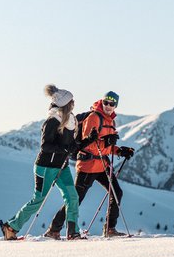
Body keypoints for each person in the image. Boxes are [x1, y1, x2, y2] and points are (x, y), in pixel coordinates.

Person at [0, 85, 97, 241]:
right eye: (71, 101)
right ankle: (11, 227)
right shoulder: (52, 121)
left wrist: (89, 140)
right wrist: (64, 149)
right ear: (65, 104)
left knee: (73, 197)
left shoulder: (70, 121)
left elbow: (72, 148)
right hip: (45, 167)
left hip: (62, 166)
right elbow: (45, 146)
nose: (73, 103)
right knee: (38, 200)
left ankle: (73, 232)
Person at [44, 91, 135, 239]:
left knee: (117, 192)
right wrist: (107, 141)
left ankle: (110, 228)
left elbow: (106, 147)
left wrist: (120, 151)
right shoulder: (94, 117)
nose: (108, 106)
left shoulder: (111, 121)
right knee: (76, 199)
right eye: (105, 102)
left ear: (115, 105)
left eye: (112, 104)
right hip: (88, 165)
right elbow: (88, 144)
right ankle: (54, 229)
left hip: (102, 165)